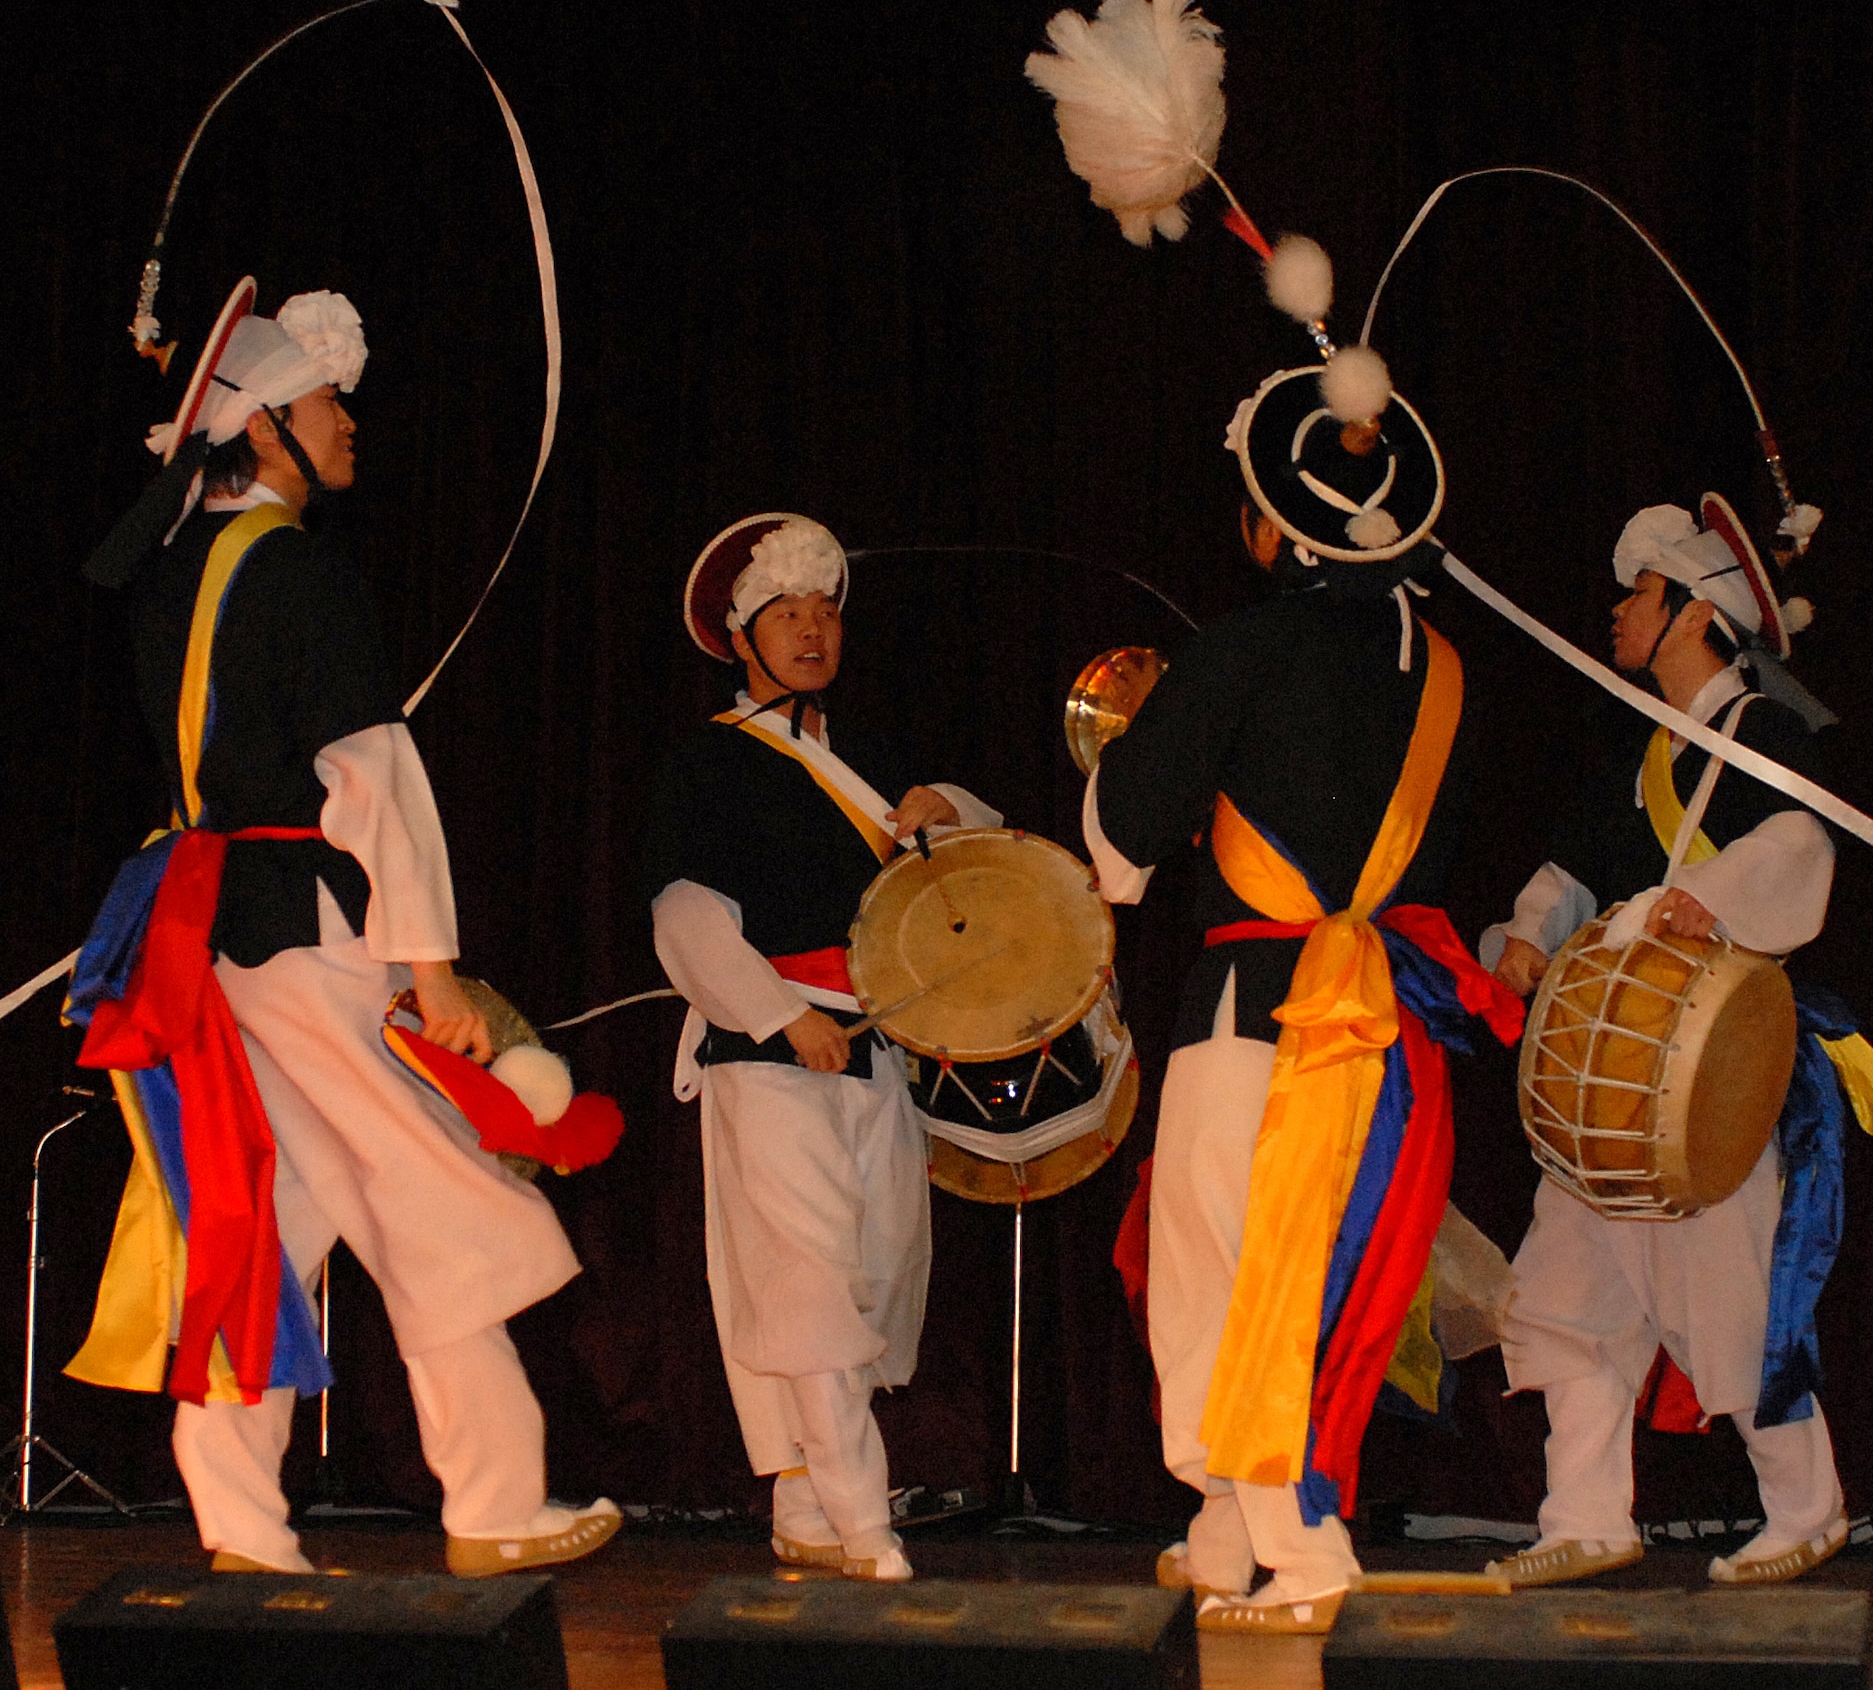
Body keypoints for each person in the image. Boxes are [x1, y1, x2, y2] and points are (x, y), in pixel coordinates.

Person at [68, 281, 621, 1578]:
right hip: (310, 939)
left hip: (214, 945)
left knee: (274, 1219)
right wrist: (432, 972)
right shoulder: (301, 570)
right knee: (435, 1193)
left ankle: (244, 1527)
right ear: (264, 431)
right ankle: (493, 1501)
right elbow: (374, 773)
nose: (349, 423)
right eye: (327, 404)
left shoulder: (165, 587)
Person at [1085, 363, 1520, 1633]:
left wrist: (1132, 755)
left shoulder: (1247, 646)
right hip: (1379, 1015)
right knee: (1307, 1268)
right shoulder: (1441, 664)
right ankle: (1225, 1529)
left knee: (1228, 1277)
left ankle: (1303, 1544)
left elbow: (1125, 832)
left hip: (1252, 1010)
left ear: (1269, 523)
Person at [1483, 495, 1852, 1587]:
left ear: (1691, 613)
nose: (1614, 611)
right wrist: (1524, 930)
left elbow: (1795, 845)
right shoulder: (1641, 749)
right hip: (1610, 1085)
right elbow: (1570, 872)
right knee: (1570, 1292)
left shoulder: (1767, 738)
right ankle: (1587, 1511)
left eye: (1635, 593)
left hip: (1704, 1079)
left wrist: (1708, 898)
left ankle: (1805, 1506)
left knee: (1726, 1296)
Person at [650, 514, 1000, 1583]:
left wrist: (954, 807)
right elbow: (684, 911)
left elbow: (979, 868)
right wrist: (771, 1012)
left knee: (872, 1274)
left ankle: (804, 1508)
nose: (811, 629)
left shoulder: (872, 757)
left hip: (869, 1045)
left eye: (825, 611)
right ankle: (863, 1522)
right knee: (805, 1280)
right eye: (786, 613)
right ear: (741, 633)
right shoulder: (706, 760)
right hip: (768, 1050)